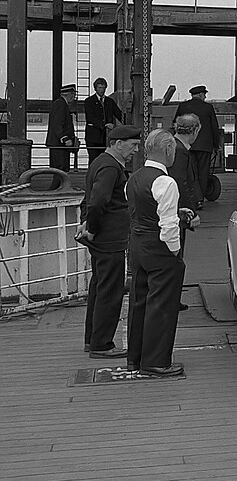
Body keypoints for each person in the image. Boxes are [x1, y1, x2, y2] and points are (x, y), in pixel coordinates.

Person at [125, 129, 186, 377]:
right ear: (169, 150)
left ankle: (135, 358)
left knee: (138, 302)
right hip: (158, 248)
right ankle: (156, 361)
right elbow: (168, 225)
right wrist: (174, 251)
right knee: (162, 305)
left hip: (137, 244)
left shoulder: (134, 178)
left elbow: (138, 210)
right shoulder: (165, 182)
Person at [77, 125, 141, 358]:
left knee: (99, 287)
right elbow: (97, 201)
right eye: (133, 145)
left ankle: (91, 339)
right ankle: (102, 344)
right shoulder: (110, 168)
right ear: (118, 143)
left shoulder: (100, 162)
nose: (135, 150)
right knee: (110, 291)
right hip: (110, 238)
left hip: (103, 238)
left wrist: (87, 222)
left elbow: (89, 200)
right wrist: (92, 228)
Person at [171, 113, 202, 310]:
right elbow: (181, 183)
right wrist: (191, 212)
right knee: (176, 255)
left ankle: (173, 297)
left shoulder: (177, 147)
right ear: (195, 130)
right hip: (177, 213)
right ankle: (172, 298)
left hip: (174, 210)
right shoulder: (180, 151)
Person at [173, 85, 221, 208]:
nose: (205, 96)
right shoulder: (208, 108)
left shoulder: (183, 106)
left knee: (190, 172)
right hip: (205, 146)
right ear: (200, 95)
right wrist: (216, 144)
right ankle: (201, 199)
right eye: (204, 94)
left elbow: (175, 123)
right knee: (203, 172)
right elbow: (214, 127)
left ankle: (194, 198)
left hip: (187, 144)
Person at [83, 77, 124, 165]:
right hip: (93, 136)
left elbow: (118, 114)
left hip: (106, 137)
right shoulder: (89, 101)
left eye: (103, 88)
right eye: (99, 88)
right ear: (95, 88)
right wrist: (104, 125)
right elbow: (90, 118)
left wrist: (123, 124)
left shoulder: (110, 102)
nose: (102, 90)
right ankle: (92, 176)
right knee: (93, 159)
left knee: (104, 158)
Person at [46, 83, 78, 190]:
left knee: (61, 169)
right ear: (69, 94)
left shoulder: (60, 104)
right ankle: (53, 191)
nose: (74, 98)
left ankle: (56, 190)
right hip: (58, 144)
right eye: (73, 95)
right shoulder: (60, 104)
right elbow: (58, 123)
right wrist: (65, 138)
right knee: (60, 169)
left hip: (58, 143)